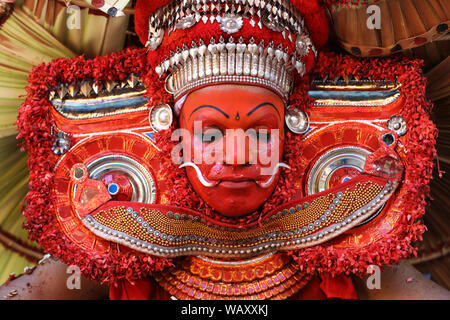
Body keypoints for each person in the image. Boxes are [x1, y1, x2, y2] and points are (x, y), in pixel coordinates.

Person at [2, 0, 449, 300]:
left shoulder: (346, 240)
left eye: (261, 131)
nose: (237, 155)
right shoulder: (115, 242)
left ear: (294, 131)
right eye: (210, 134)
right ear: (168, 134)